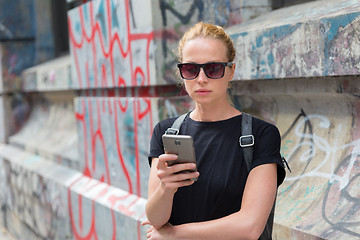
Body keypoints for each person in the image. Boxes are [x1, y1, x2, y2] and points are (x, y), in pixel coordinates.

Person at [143, 22, 286, 240]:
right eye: (191, 69)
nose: (201, 79)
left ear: (231, 71)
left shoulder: (261, 135)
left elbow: (249, 226)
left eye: (213, 69)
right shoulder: (167, 132)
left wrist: (173, 234)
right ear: (181, 72)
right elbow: (155, 219)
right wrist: (166, 188)